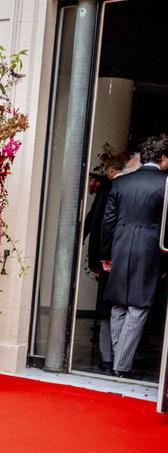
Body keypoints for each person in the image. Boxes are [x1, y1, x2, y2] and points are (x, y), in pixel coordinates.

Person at [100, 133, 168, 378]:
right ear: (162, 158)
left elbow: (107, 223)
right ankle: (121, 364)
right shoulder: (166, 183)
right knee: (139, 306)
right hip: (149, 248)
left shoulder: (121, 182)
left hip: (120, 245)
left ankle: (119, 359)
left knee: (118, 304)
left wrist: (105, 254)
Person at [82, 155, 126, 372]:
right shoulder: (113, 190)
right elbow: (99, 222)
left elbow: (95, 220)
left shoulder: (109, 189)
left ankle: (108, 356)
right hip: (114, 256)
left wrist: (95, 257)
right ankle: (117, 357)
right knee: (119, 307)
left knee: (107, 307)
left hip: (107, 256)